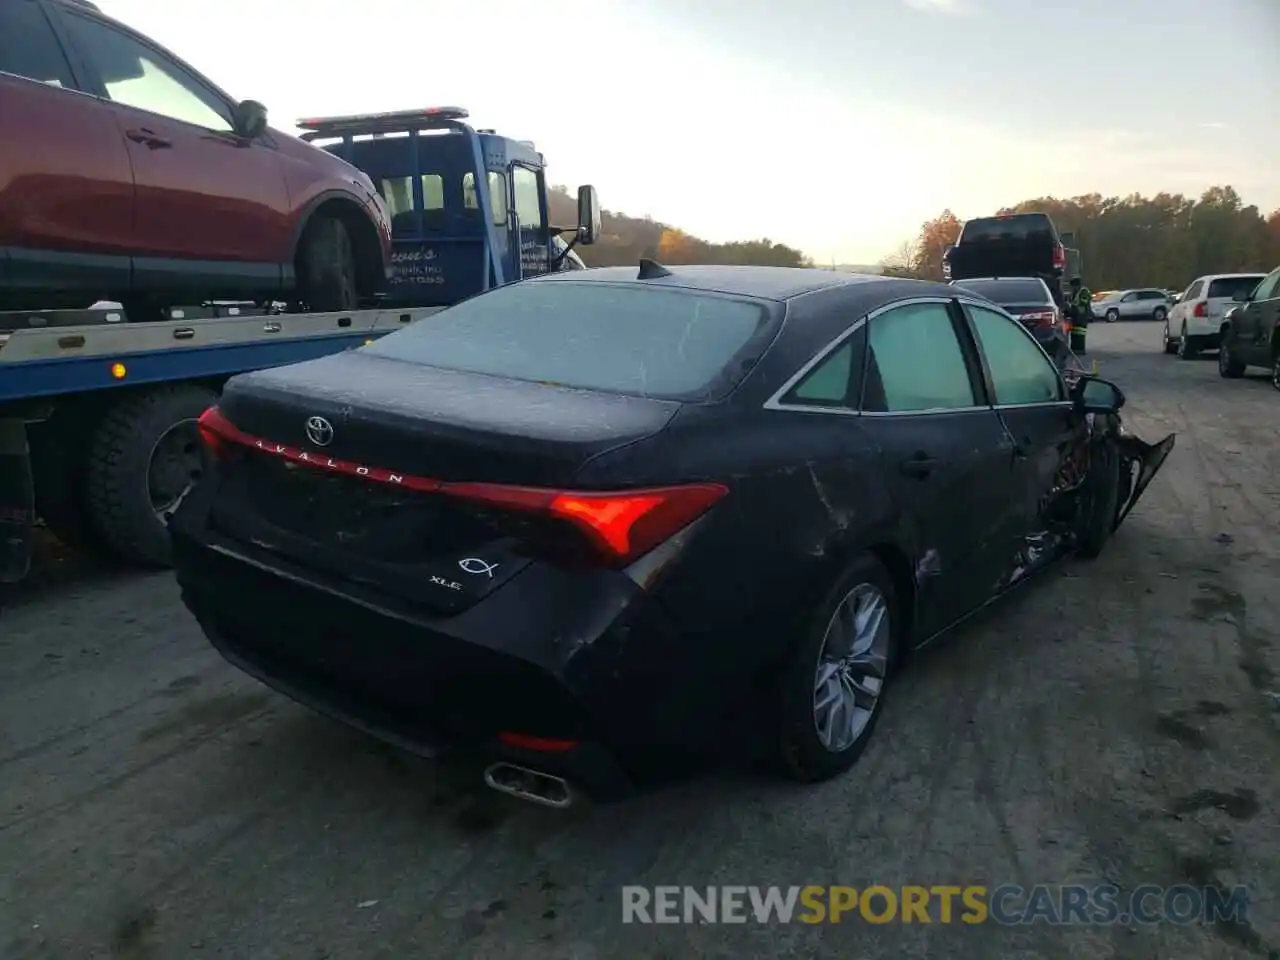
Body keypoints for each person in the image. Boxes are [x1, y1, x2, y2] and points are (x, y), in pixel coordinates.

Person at [1066, 276, 1092, 354]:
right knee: (1074, 333)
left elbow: (1083, 302)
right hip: (1076, 316)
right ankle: (1074, 349)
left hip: (1082, 316)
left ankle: (1080, 350)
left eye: (1073, 286)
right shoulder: (1075, 292)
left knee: (1080, 334)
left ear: (1077, 285)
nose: (1072, 288)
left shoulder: (1084, 291)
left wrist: (1072, 306)